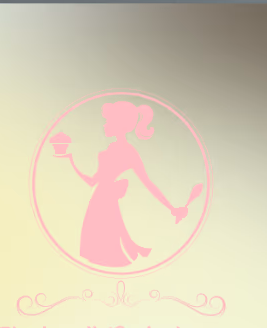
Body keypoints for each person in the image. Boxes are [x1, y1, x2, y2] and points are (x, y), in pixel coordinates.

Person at [61, 101, 191, 265]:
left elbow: (148, 183)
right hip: (98, 200)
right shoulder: (109, 150)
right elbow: (92, 181)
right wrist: (71, 162)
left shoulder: (129, 152)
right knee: (97, 248)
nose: (105, 126)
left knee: (107, 249)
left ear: (119, 124)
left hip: (106, 201)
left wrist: (172, 208)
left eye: (108, 121)